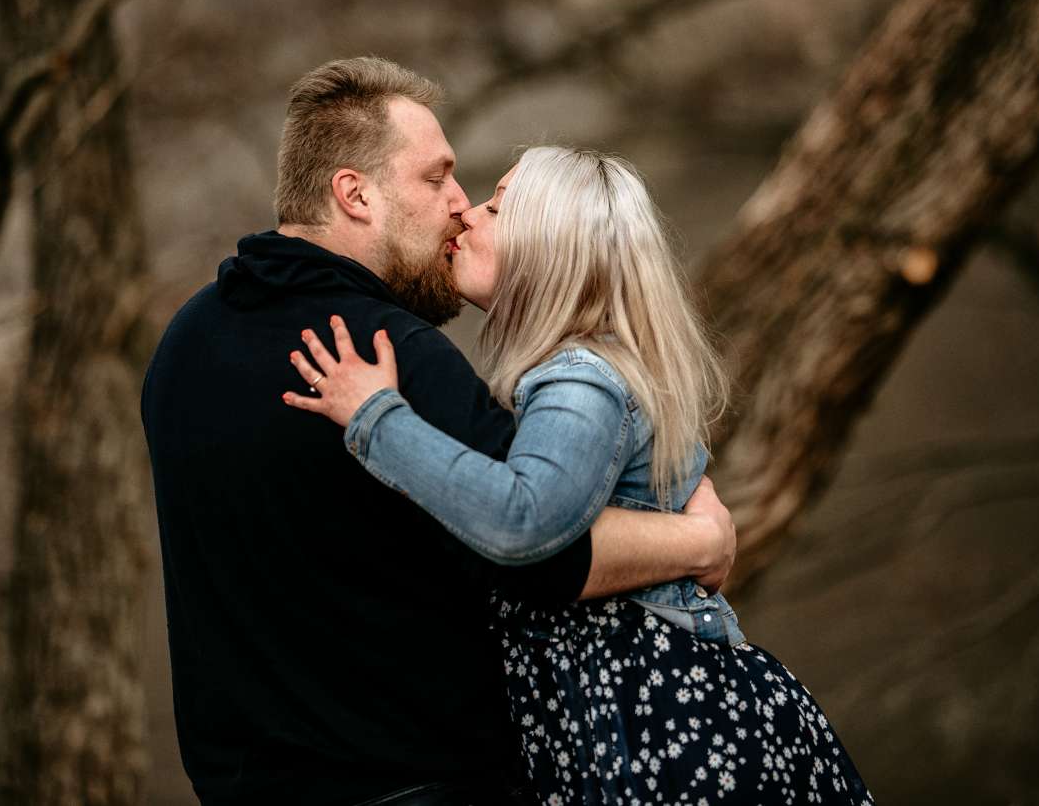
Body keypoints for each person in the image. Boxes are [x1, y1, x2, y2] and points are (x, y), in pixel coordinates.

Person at [142, 59, 738, 806]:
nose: (459, 204)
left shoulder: (186, 344)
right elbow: (543, 550)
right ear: (356, 195)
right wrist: (699, 542)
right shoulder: (387, 354)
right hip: (419, 784)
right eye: (436, 178)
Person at [282, 146, 876, 805]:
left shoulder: (580, 380)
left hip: (667, 728)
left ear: (549, 248)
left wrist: (376, 418)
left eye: (497, 207)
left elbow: (523, 520)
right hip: (632, 725)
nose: (467, 213)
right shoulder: (575, 373)